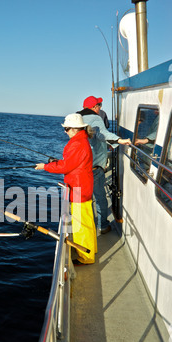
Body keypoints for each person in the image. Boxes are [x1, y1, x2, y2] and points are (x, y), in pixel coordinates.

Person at [35, 113, 97, 265]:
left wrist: (45, 166)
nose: (65, 131)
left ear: (75, 129)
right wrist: (57, 162)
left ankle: (86, 257)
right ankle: (90, 249)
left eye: (67, 129)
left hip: (78, 189)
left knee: (81, 225)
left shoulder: (77, 143)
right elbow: (71, 162)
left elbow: (65, 166)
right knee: (87, 222)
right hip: (83, 186)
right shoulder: (81, 140)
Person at [77, 96, 131, 234]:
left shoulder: (77, 119)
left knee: (81, 199)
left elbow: (92, 137)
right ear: (94, 107)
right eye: (99, 104)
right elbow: (102, 134)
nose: (100, 107)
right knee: (100, 197)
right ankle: (102, 225)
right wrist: (119, 140)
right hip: (94, 167)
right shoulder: (96, 118)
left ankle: (81, 227)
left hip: (79, 167)